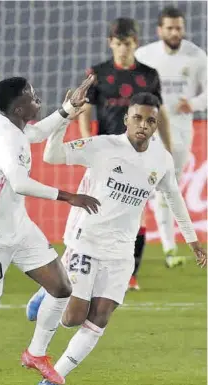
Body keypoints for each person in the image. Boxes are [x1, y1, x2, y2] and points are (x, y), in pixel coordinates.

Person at [26, 92, 206, 385]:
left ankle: (53, 380)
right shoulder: (102, 146)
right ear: (126, 119)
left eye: (150, 120)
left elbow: (174, 198)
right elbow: (50, 156)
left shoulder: (160, 159)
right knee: (71, 318)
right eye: (138, 118)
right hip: (87, 241)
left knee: (102, 315)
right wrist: (66, 117)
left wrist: (192, 240)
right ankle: (47, 291)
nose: (144, 125)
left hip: (122, 251)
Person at [0, 75, 101, 385]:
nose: (37, 97)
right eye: (32, 95)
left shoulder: (14, 126)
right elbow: (19, 182)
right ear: (19, 106)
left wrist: (67, 110)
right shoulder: (5, 137)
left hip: (19, 227)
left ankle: (36, 353)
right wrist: (69, 196)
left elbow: (36, 132)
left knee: (61, 288)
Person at [78, 17, 174, 290]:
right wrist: (87, 145)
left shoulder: (148, 75)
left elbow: (160, 113)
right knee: (98, 209)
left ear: (136, 44)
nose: (123, 49)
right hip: (107, 151)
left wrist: (168, 147)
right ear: (111, 43)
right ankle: (91, 264)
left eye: (128, 44)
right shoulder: (97, 73)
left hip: (140, 153)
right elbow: (85, 109)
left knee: (136, 211)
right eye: (118, 43)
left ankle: (130, 273)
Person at [135, 6, 207, 268]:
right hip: (146, 128)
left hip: (180, 130)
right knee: (144, 186)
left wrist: (194, 103)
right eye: (170, 28)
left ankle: (168, 249)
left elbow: (207, 92)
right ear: (160, 30)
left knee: (169, 187)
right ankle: (165, 247)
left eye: (179, 27)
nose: (175, 32)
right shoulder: (144, 55)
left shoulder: (197, 56)